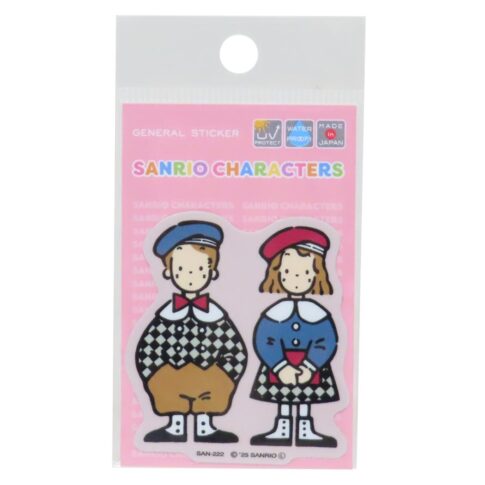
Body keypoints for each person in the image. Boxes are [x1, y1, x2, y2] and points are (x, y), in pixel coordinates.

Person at [136, 220, 248, 443]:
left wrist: (224, 375)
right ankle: (175, 426)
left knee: (207, 396)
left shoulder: (217, 317)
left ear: (212, 272)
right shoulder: (164, 317)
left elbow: (235, 351)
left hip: (209, 379)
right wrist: (156, 375)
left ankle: (205, 427)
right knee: (173, 395)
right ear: (168, 271)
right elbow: (147, 350)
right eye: (181, 269)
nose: (190, 275)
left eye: (198, 269)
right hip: (170, 378)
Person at [249, 226, 340, 447]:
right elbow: (265, 341)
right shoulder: (274, 313)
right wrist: (280, 366)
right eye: (288, 272)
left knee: (306, 397)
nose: (297, 278)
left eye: (305, 273)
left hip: (311, 364)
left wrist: (311, 365)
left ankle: (305, 429)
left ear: (316, 275)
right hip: (280, 363)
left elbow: (327, 342)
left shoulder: (319, 314)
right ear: (277, 273)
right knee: (283, 398)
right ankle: (282, 427)